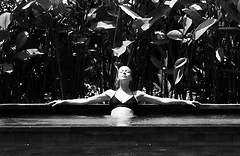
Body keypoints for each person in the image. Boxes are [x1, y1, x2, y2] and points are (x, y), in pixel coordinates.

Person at [48, 65, 199, 117]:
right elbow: (86, 101)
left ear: (131, 77)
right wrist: (64, 101)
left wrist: (184, 101)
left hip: (131, 124)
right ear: (118, 76)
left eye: (128, 71)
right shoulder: (109, 93)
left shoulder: (137, 94)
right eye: (122, 71)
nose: (125, 72)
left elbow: (162, 101)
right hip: (112, 124)